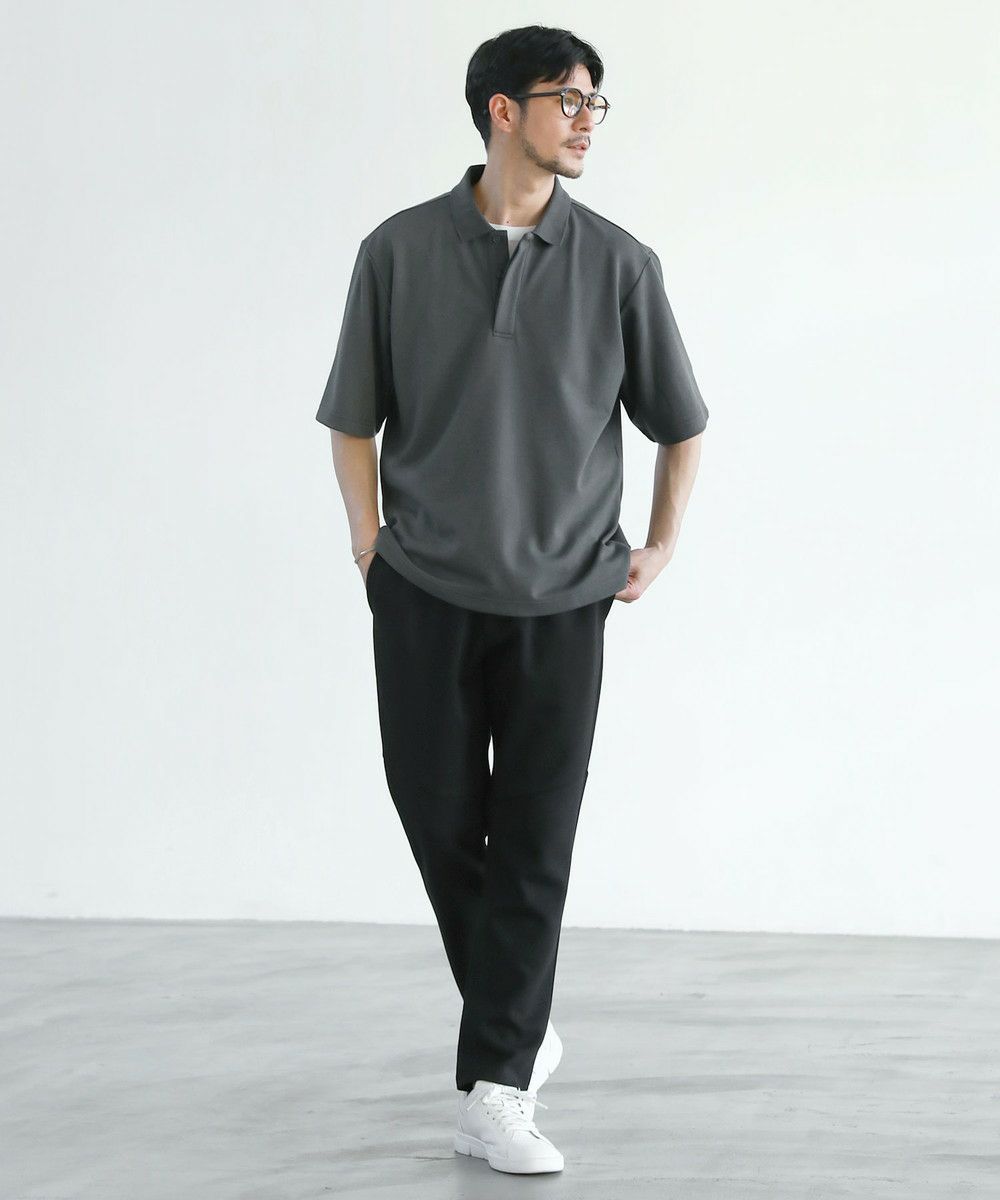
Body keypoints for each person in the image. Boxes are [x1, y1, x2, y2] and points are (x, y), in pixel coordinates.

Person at [315, 24, 708, 1176]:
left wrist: (661, 545)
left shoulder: (619, 264)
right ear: (501, 109)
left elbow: (681, 423)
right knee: (436, 812)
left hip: (562, 596)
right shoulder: (397, 251)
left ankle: (496, 1085)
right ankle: (518, 1019)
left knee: (534, 838)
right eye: (565, 99)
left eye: (594, 103)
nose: (586, 120)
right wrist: (368, 544)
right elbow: (353, 417)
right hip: (423, 586)